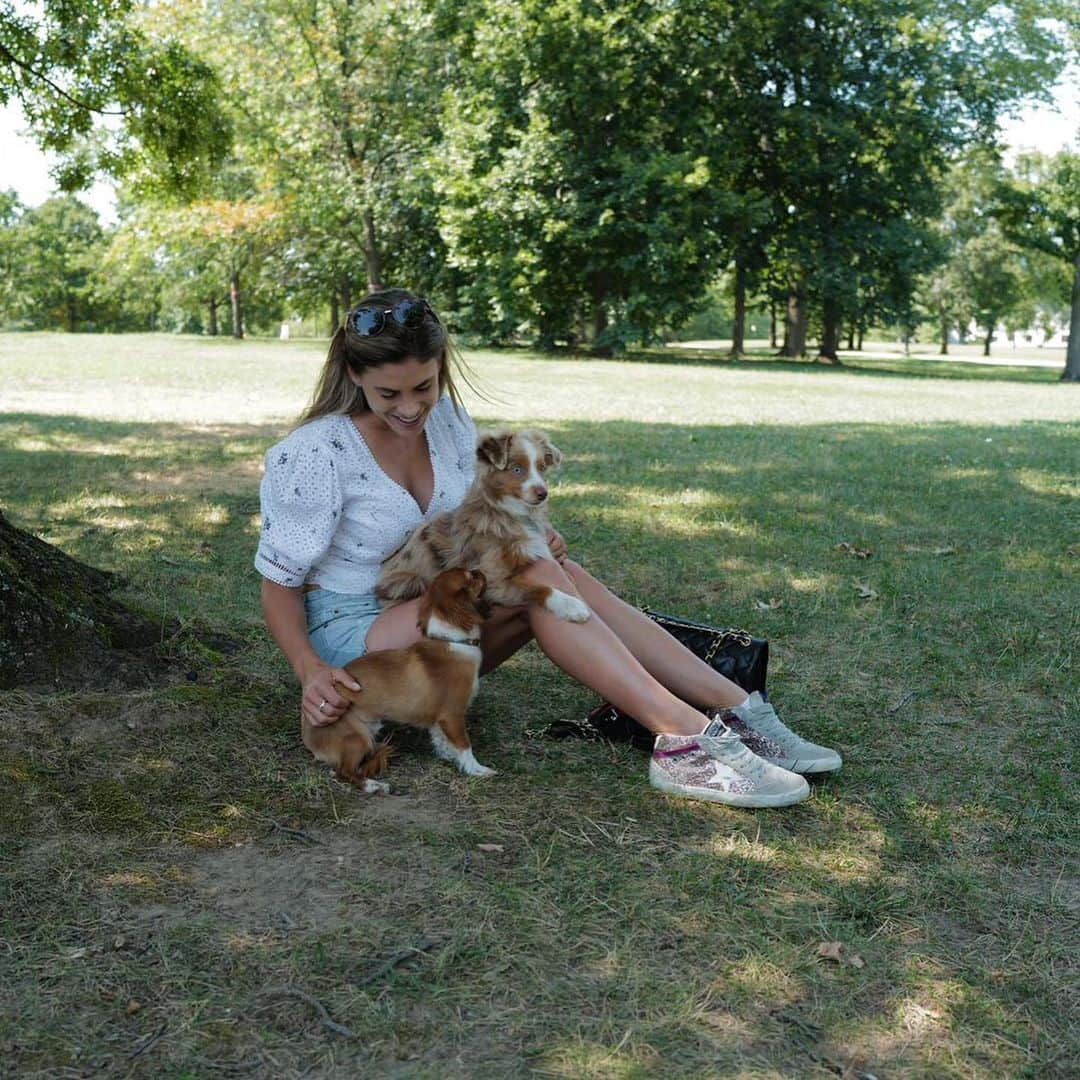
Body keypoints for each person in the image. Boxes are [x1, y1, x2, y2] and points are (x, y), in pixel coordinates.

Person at [255, 289, 841, 808]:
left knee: (555, 571)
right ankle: (686, 737)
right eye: (389, 393)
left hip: (437, 607)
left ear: (441, 370)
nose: (410, 407)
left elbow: (473, 519)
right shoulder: (316, 452)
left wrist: (531, 537)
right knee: (540, 583)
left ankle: (737, 710)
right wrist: (310, 672)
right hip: (356, 634)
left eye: (423, 387)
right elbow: (279, 580)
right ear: (355, 375)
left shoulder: (451, 425)